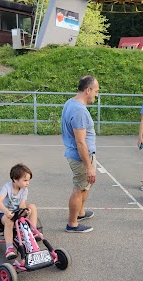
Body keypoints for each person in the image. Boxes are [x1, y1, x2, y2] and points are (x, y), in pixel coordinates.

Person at [61, 75, 99, 233]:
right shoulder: (79, 111)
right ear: (88, 90)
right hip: (80, 157)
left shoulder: (71, 103)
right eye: (96, 91)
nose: (96, 95)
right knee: (79, 188)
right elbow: (80, 142)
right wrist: (88, 166)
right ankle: (72, 223)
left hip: (82, 155)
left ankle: (80, 213)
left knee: (86, 184)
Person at [0, 163, 38, 259]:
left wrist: (26, 210)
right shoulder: (7, 187)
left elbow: (22, 203)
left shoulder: (24, 189)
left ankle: (32, 232)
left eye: (29, 180)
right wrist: (6, 211)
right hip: (2, 214)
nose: (28, 183)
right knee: (9, 221)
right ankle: (9, 248)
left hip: (16, 211)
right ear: (15, 179)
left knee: (32, 207)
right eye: (25, 180)